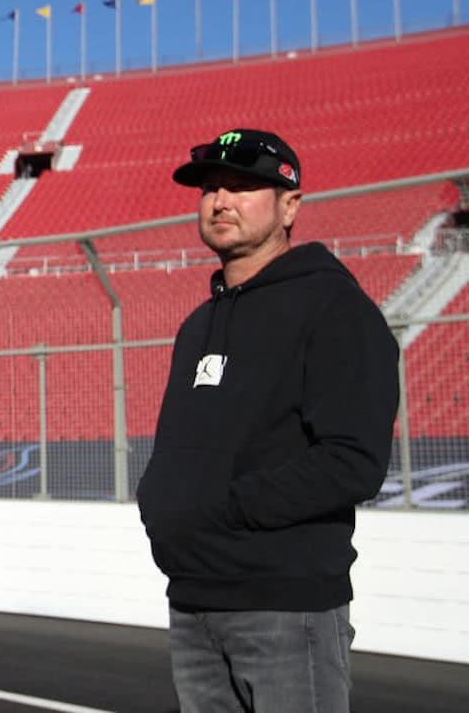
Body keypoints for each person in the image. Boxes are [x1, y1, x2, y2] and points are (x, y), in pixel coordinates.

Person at [136, 129, 399, 713]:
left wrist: (231, 510)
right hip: (193, 604)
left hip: (285, 607)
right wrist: (161, 505)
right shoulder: (197, 326)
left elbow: (353, 460)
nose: (219, 201)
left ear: (290, 205)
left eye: (243, 186)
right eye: (209, 188)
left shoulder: (334, 309)